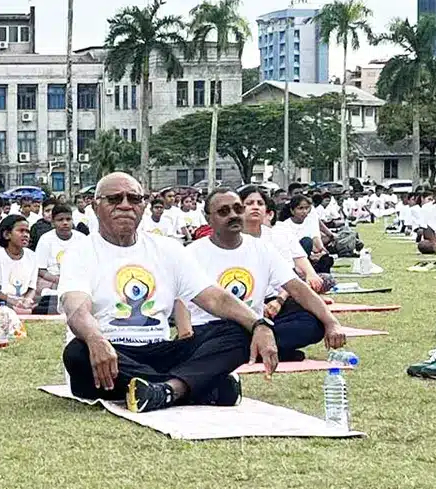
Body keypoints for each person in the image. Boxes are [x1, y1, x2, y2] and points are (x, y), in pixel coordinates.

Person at [59, 173, 279, 413]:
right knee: (77, 352)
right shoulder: (80, 251)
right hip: (111, 353)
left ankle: (166, 390)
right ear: (95, 205)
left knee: (237, 330)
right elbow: (76, 309)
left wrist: (259, 324)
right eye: (114, 199)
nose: (125, 205)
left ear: (143, 205)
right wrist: (95, 339)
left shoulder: (167, 249)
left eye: (134, 198)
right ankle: (200, 385)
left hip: (160, 349)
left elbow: (214, 297)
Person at [174, 188, 347, 363]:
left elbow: (297, 288)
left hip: (254, 327)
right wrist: (185, 335)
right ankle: (260, 350)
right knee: (214, 340)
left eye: (238, 209)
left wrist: (331, 322)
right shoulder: (191, 254)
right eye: (223, 212)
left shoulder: (262, 248)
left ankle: (250, 350)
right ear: (208, 219)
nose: (233, 215)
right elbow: (180, 301)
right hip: (211, 329)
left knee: (313, 323)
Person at [0, 214, 37, 314]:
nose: (26, 235)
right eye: (21, 231)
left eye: (27, 231)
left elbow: (32, 288)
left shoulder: (32, 256)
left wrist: (27, 300)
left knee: (52, 302)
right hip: (2, 302)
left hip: (22, 301)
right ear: (7, 234)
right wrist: (14, 302)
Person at [36, 203, 90, 293]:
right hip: (53, 279)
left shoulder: (82, 238)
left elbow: (88, 265)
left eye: (68, 219)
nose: (65, 223)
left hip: (77, 279)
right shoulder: (45, 239)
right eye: (60, 220)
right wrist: (60, 280)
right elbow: (41, 270)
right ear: (53, 223)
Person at [275, 195, 332, 273]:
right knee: (306, 241)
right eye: (300, 208)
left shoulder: (310, 221)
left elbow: (315, 238)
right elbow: (291, 248)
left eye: (306, 208)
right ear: (292, 210)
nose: (304, 211)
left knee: (326, 259)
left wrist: (321, 251)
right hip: (295, 258)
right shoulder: (285, 225)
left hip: (310, 255)